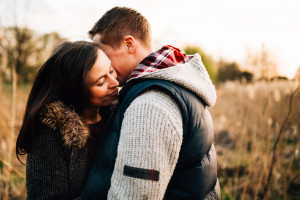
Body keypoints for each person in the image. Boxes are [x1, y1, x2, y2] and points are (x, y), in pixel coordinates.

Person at [82, 6, 221, 200]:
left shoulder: (150, 104)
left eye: (104, 53)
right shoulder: (173, 82)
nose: (101, 62)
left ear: (129, 44)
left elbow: (136, 195)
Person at [16, 41, 119, 199]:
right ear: (76, 90)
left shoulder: (119, 114)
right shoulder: (50, 135)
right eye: (101, 82)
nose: (115, 83)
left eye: (111, 70)